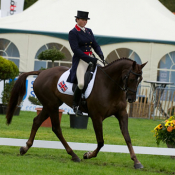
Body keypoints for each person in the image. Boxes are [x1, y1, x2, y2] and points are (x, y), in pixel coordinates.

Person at [67, 10, 104, 116]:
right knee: (81, 83)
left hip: (92, 58)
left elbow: (95, 44)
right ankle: (75, 105)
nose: (84, 22)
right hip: (81, 60)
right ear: (77, 19)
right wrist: (89, 59)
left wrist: (100, 54)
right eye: (82, 20)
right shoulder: (73, 32)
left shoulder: (89, 31)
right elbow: (76, 50)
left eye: (86, 20)